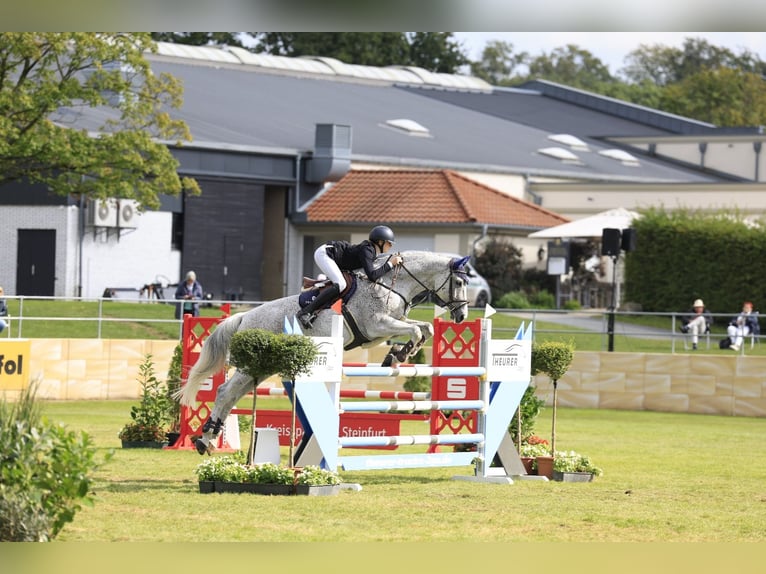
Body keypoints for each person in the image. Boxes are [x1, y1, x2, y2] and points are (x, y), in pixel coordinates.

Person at [296, 225, 403, 329]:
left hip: (334, 257)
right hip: (325, 254)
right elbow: (373, 276)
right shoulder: (367, 250)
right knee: (341, 284)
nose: (391, 246)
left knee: (343, 283)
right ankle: (305, 312)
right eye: (389, 243)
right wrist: (391, 264)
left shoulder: (372, 251)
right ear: (380, 242)